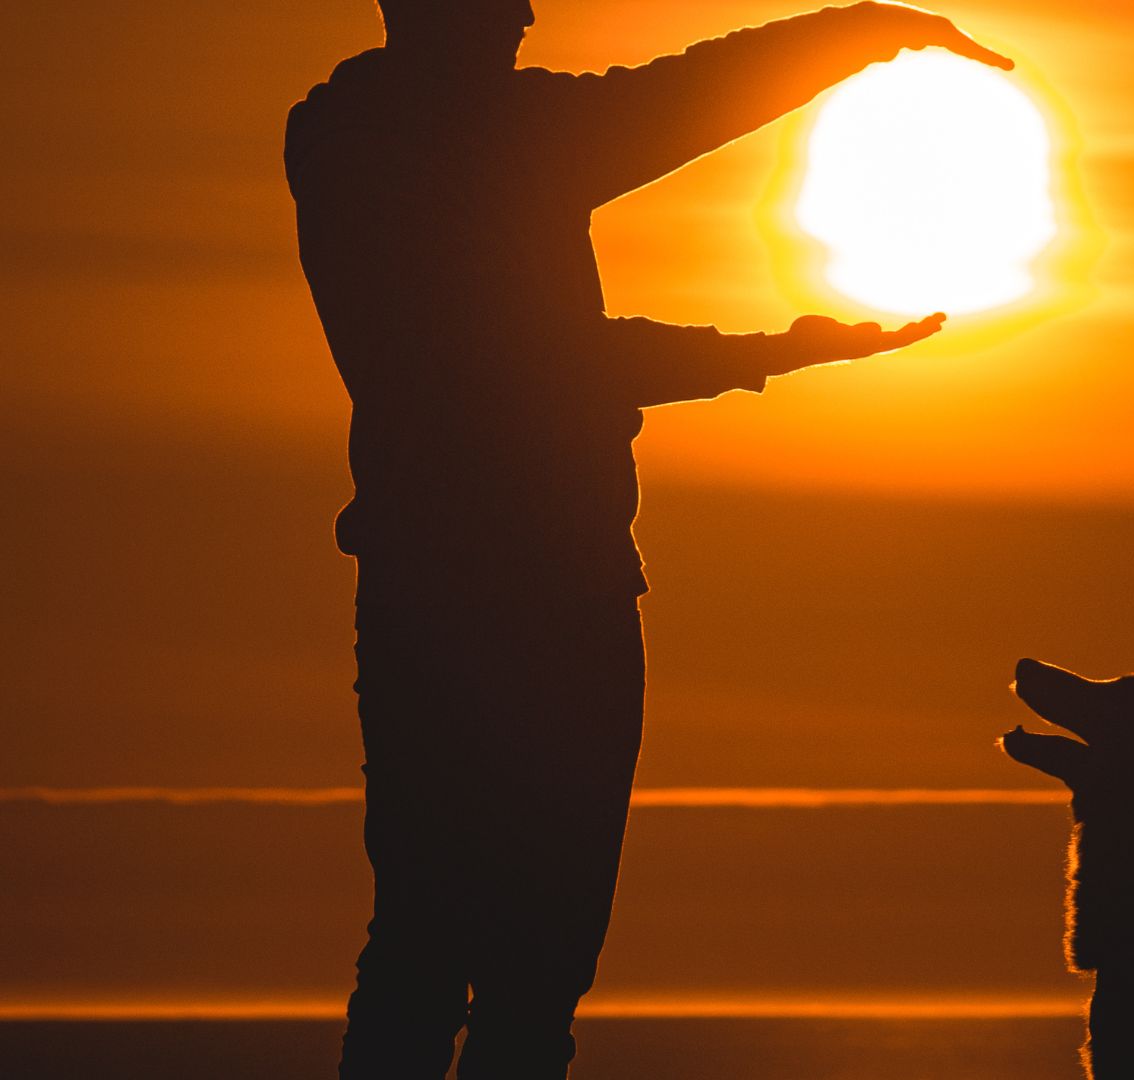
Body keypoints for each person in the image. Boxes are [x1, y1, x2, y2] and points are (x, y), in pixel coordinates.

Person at [282, 2, 1013, 1076]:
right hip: (545, 595)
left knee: (427, 945)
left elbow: (556, 329)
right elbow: (670, 124)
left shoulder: (339, 137)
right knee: (520, 968)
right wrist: (784, 348)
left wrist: (865, 33)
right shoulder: (483, 136)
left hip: (423, 587)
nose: (528, 13)